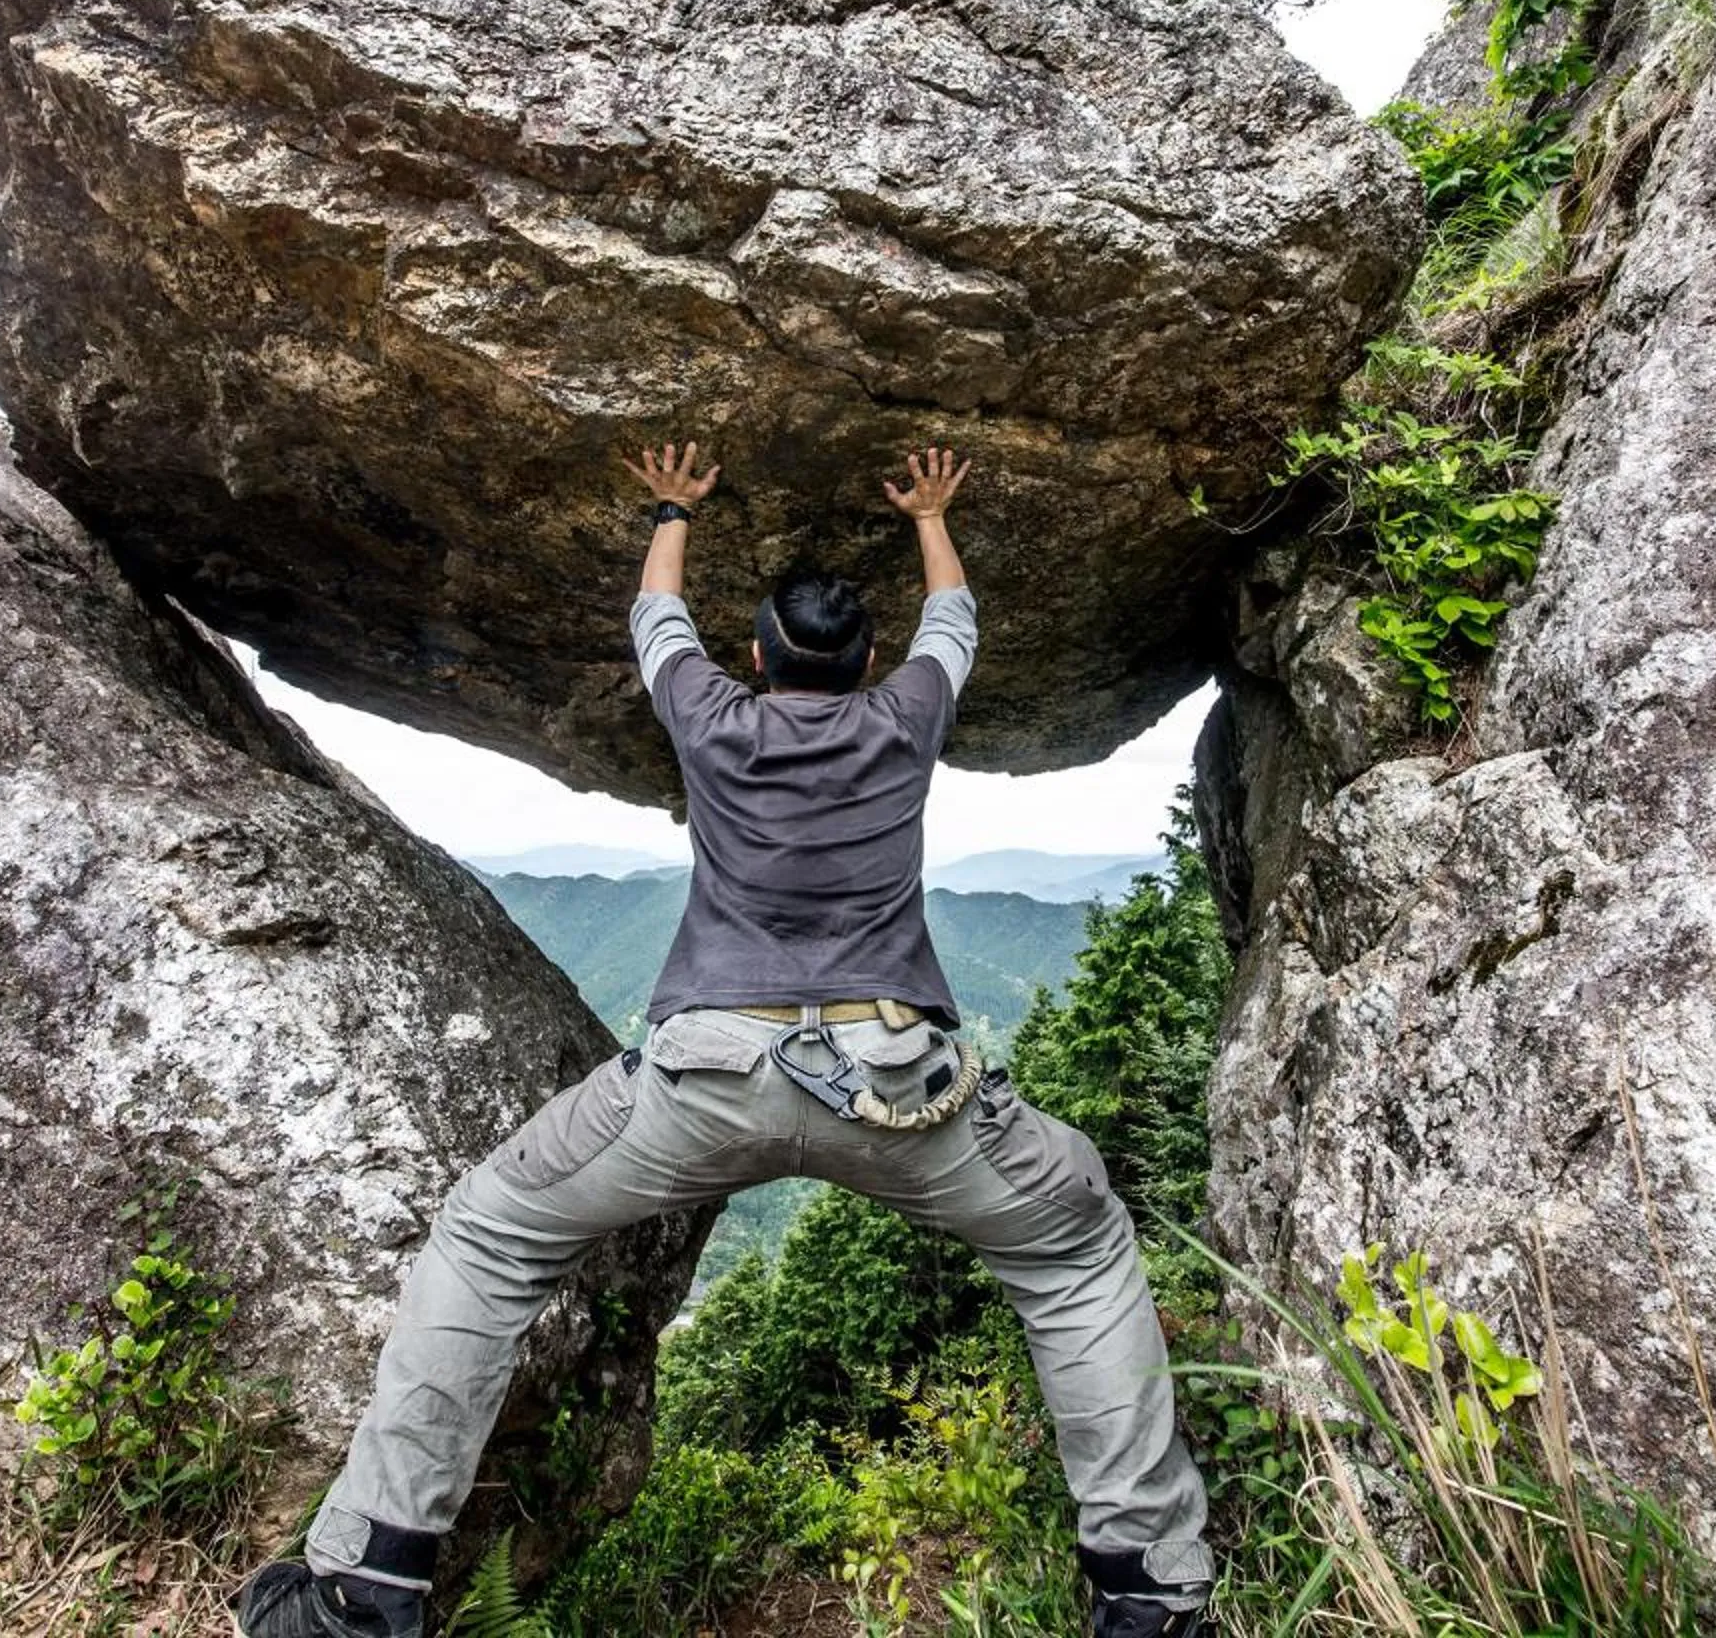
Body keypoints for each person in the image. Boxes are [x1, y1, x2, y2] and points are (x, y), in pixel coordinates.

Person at [234, 442, 1213, 1638]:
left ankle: (365, 1586)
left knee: (490, 1237)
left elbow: (657, 619)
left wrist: (672, 507)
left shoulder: (712, 715)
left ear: (755, 658)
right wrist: (932, 513)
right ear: (867, 665)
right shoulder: (904, 720)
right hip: (901, 1083)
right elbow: (952, 621)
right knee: (1073, 1249)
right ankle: (1151, 1592)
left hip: (700, 1076)